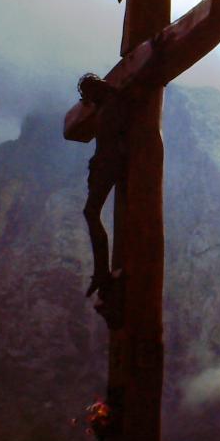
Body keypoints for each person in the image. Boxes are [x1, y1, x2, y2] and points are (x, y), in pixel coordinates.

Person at [78, 73, 129, 302]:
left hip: (110, 162)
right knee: (90, 212)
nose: (88, 99)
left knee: (90, 212)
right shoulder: (105, 103)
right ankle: (101, 272)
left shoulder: (114, 99)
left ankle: (101, 272)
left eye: (89, 93)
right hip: (102, 163)